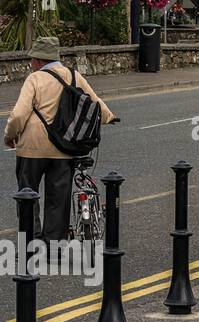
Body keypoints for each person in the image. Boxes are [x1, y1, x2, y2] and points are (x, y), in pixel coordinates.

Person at [4, 37, 117, 242]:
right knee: (58, 199)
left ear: (39, 60)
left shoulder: (35, 79)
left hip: (31, 148)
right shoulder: (74, 76)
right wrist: (110, 117)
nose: (31, 64)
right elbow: (95, 101)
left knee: (28, 196)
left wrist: (9, 136)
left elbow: (19, 114)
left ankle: (30, 242)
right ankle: (54, 244)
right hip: (64, 147)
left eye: (32, 60)